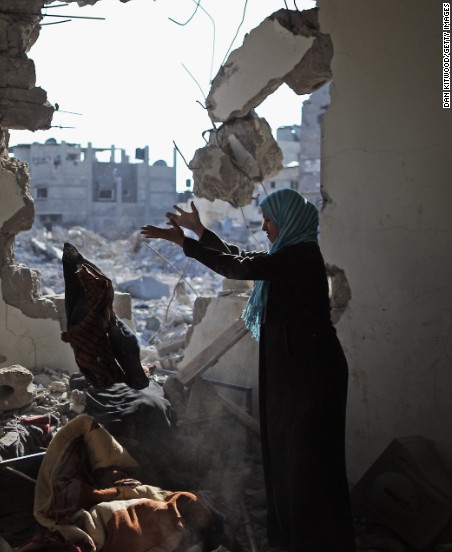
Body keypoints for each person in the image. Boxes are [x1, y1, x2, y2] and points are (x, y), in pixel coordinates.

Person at [139, 189, 355, 552]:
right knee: (288, 462)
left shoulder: (300, 256)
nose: (265, 227)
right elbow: (241, 257)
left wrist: (188, 243)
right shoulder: (287, 256)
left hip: (313, 377)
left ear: (288, 222)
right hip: (293, 373)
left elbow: (239, 267)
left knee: (309, 465)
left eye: (270, 220)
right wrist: (200, 233)